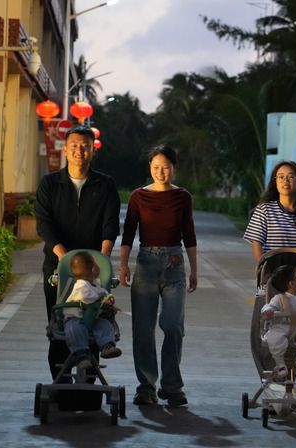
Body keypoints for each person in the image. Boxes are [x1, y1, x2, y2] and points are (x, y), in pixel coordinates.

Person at [35, 125, 121, 380]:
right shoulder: (50, 184)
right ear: (65, 149)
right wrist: (64, 257)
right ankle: (59, 381)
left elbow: (110, 225)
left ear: (93, 150)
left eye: (85, 146)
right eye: (74, 145)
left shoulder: (105, 185)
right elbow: (44, 224)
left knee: (93, 321)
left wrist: (102, 260)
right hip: (58, 268)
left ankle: (89, 382)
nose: (79, 151)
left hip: (93, 270)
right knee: (60, 324)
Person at [119, 145, 198, 407]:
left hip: (175, 264)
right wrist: (123, 265)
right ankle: (146, 386)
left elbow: (189, 234)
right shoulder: (138, 196)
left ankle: (172, 387)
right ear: (149, 168)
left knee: (173, 325)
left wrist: (194, 269)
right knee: (143, 329)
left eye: (165, 167)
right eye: (155, 167)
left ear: (173, 168)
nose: (160, 172)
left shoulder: (183, 197)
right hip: (146, 264)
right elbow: (128, 233)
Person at [244, 160, 296, 263]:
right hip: (272, 269)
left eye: (291, 177)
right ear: (275, 182)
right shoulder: (264, 210)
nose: (285, 181)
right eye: (281, 177)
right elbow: (256, 243)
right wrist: (264, 267)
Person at [63, 251, 121, 367]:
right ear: (94, 269)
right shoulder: (80, 285)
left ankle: (107, 346)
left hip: (94, 319)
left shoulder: (94, 284)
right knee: (74, 329)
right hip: (76, 318)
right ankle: (81, 355)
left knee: (104, 325)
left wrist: (107, 301)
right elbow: (86, 297)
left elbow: (102, 292)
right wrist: (100, 300)